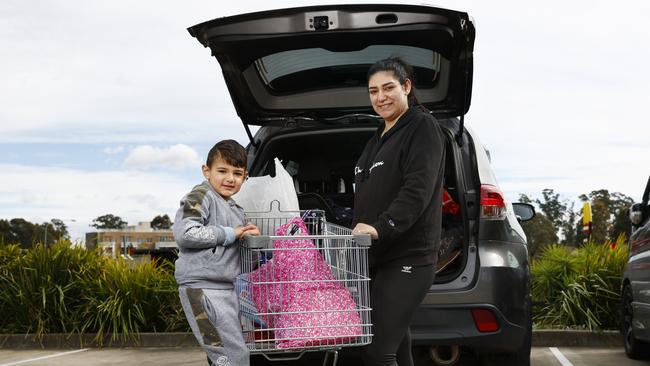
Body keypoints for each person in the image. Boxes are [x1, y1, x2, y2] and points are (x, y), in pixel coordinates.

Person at [352, 57, 445, 366]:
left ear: (406, 86)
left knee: (378, 351)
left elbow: (417, 191)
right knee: (397, 349)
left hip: (409, 257)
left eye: (388, 88)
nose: (381, 97)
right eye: (373, 91)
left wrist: (381, 227)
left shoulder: (422, 126)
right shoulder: (376, 139)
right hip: (378, 258)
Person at [173, 139, 260, 366]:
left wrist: (253, 242)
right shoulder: (200, 195)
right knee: (226, 357)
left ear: (245, 177)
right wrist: (231, 233)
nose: (230, 179)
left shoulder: (237, 211)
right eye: (222, 171)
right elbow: (186, 233)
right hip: (199, 289)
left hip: (225, 289)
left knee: (236, 355)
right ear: (206, 171)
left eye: (237, 173)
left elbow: (242, 259)